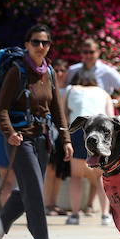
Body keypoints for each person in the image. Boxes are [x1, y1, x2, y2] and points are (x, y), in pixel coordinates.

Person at [0, 24, 73, 239]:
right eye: (35, 42)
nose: (40, 46)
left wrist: (66, 139)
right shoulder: (17, 71)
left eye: (45, 43)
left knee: (26, 190)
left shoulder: (48, 73)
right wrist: (10, 133)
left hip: (42, 139)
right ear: (26, 44)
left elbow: (57, 109)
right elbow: (1, 109)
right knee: (35, 190)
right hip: (20, 140)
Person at [64, 72, 114, 226]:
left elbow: (65, 116)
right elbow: (111, 117)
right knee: (100, 176)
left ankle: (74, 215)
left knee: (76, 176)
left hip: (79, 130)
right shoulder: (104, 93)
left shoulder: (70, 89)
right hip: (100, 131)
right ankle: (105, 215)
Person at [65, 38, 120, 107]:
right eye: (85, 52)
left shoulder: (107, 71)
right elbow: (64, 91)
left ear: (98, 52)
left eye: (91, 52)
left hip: (100, 114)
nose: (88, 55)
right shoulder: (73, 70)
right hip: (76, 114)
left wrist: (112, 103)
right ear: (81, 53)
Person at [42, 58, 69, 216]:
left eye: (62, 70)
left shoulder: (71, 89)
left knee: (59, 171)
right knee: (49, 170)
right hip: (49, 132)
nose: (59, 73)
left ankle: (53, 203)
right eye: (56, 70)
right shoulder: (48, 87)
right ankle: (47, 205)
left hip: (63, 134)